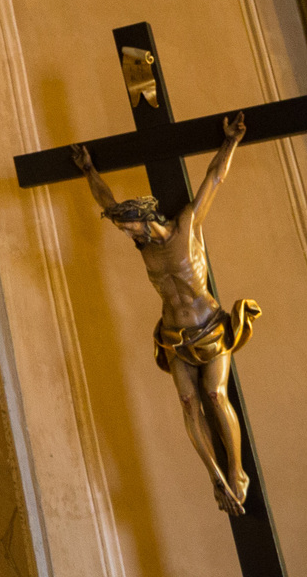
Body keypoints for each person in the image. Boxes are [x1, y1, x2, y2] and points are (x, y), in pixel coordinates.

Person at [73, 115, 256, 511]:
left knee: (214, 394)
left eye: (129, 227)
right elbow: (107, 201)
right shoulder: (145, 248)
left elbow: (213, 179)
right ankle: (215, 476)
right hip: (173, 336)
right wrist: (89, 170)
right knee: (188, 402)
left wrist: (230, 142)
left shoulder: (187, 226)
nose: (127, 234)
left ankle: (236, 470)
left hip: (209, 328)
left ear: (144, 218)